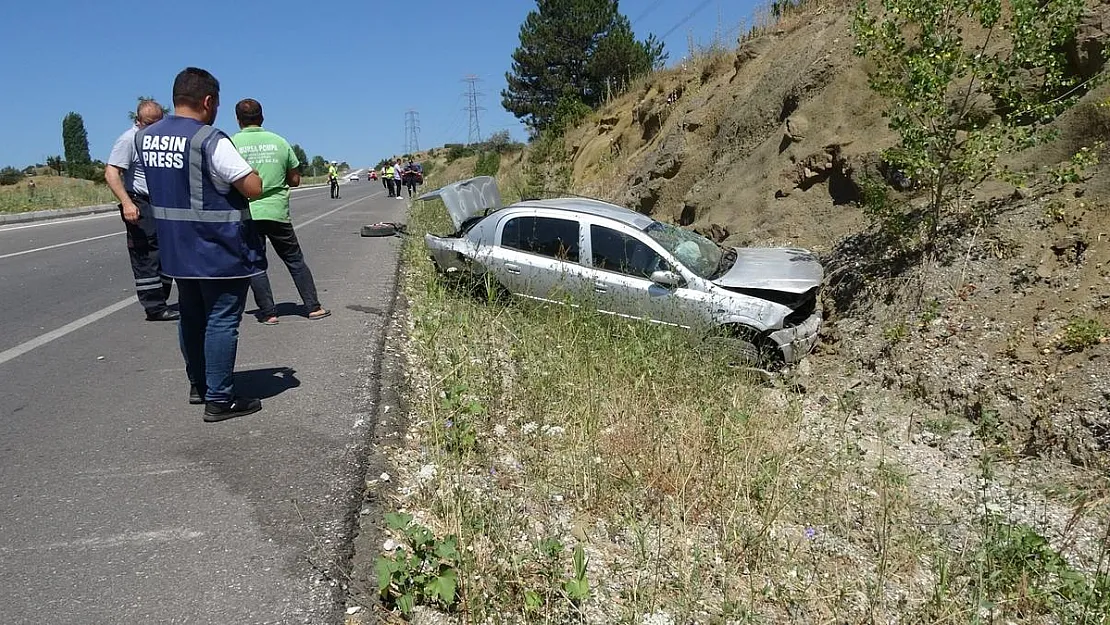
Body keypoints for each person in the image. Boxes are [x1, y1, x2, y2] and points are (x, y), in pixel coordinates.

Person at [138, 67, 266, 422]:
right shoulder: (209, 139)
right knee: (222, 319)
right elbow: (251, 187)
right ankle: (220, 399)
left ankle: (200, 385)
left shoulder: (146, 138)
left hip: (176, 248)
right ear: (208, 101)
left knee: (191, 317)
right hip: (218, 248)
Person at [231, 98, 331, 326]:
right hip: (277, 211)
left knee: (255, 263)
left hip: (247, 213)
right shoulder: (278, 141)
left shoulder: (231, 144)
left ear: (238, 120)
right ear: (262, 117)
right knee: (295, 260)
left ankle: (268, 312)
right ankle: (313, 307)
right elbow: (295, 179)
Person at [104, 99, 179, 321]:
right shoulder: (129, 140)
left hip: (162, 203)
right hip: (140, 202)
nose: (153, 127)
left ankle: (161, 298)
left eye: (157, 122)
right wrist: (127, 203)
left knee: (166, 253)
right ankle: (154, 307)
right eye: (148, 123)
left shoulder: (160, 139)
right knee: (146, 255)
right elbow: (111, 173)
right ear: (138, 121)